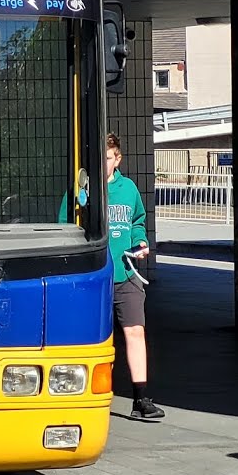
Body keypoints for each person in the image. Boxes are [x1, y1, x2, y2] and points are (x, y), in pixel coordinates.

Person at [104, 133, 164, 420]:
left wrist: (141, 243)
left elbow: (138, 222)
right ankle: (99, 395)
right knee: (100, 339)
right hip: (95, 277)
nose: (104, 163)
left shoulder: (128, 189)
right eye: (100, 158)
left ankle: (141, 398)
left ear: (118, 159)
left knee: (135, 331)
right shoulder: (81, 189)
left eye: (108, 158)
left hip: (126, 273)